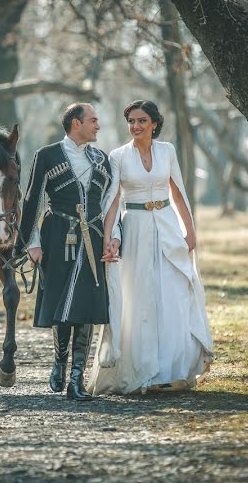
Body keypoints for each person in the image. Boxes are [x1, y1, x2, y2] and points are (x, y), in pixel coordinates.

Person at [89, 100, 213, 395]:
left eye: (142, 120)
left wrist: (190, 230)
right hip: (135, 227)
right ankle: (143, 370)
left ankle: (174, 371)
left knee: (173, 291)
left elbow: (178, 191)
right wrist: (109, 238)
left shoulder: (167, 151)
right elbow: (112, 201)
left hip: (168, 226)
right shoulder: (118, 156)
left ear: (154, 124)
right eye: (131, 121)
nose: (135, 126)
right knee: (140, 295)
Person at [15, 102, 117, 401]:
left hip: (94, 239)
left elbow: (111, 201)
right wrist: (32, 242)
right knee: (61, 303)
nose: (98, 126)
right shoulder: (47, 156)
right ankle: (59, 362)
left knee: (85, 306)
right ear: (76, 123)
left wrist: (114, 237)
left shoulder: (102, 158)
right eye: (93, 120)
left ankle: (77, 379)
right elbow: (32, 198)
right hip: (57, 235)